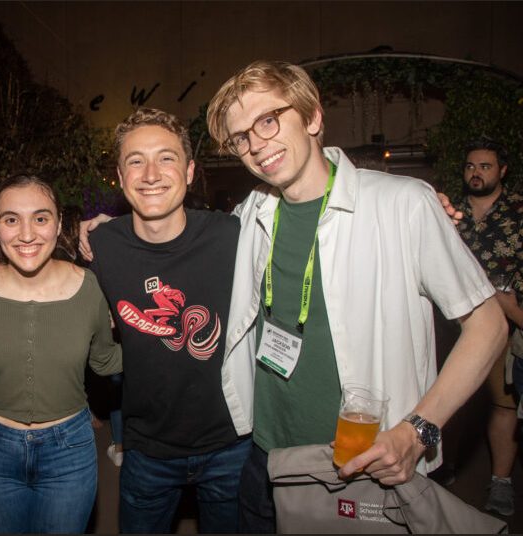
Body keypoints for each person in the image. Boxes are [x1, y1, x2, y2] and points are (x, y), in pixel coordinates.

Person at [205, 59, 507, 532]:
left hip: (363, 462)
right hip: (264, 456)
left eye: (268, 120)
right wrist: (101, 229)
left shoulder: (402, 204)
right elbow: (178, 236)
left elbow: (488, 324)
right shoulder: (250, 213)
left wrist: (418, 430)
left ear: (313, 118)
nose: (255, 145)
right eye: (241, 136)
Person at [83, 108, 251, 534]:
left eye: (167, 157)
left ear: (191, 171)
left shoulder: (233, 235)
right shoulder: (99, 246)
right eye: (136, 160)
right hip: (147, 450)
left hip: (232, 446)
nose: (151, 173)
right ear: (120, 178)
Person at [0, 174, 121, 533]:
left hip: (69, 450)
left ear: (59, 224)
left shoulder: (88, 286)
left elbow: (105, 360)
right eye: (11, 219)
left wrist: (166, 350)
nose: (27, 234)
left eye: (40, 218)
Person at [453, 138, 523, 516]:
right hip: (451, 325)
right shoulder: (449, 211)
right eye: (470, 166)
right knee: (451, 398)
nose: (475, 173)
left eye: (485, 166)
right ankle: (442, 469)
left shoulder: (518, 212)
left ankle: (501, 483)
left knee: (502, 405)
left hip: (501, 326)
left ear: (502, 171)